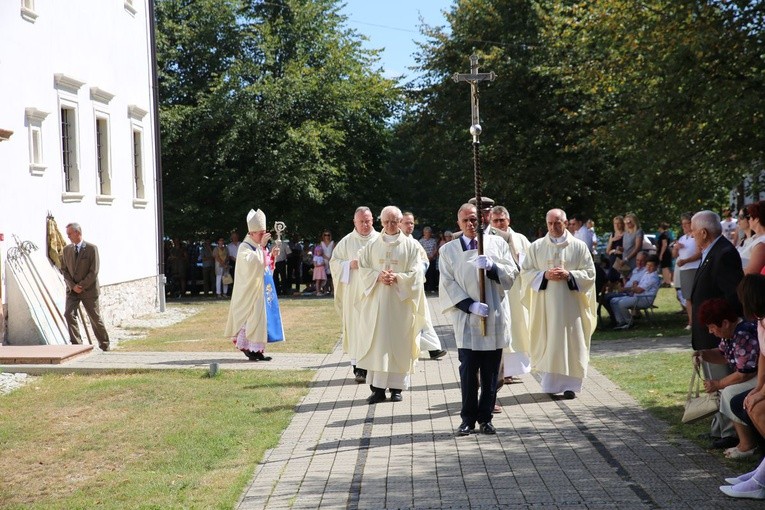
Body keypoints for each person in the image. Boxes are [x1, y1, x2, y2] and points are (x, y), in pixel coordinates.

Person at [440, 203, 518, 435]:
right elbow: (446, 283)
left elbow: (512, 274)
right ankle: (467, 418)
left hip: (493, 314)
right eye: (465, 220)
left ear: (481, 219)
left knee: (491, 372)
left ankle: (486, 418)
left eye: (474, 219)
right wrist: (469, 305)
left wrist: (493, 267)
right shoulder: (449, 251)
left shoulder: (497, 244)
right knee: (468, 371)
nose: (470, 224)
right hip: (467, 319)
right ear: (458, 223)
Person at [521, 208, 597, 399]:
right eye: (550, 223)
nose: (553, 227)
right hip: (545, 306)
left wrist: (569, 275)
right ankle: (551, 385)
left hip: (572, 306)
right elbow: (525, 272)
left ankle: (572, 386)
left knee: (572, 342)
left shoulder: (579, 246)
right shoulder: (536, 247)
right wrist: (544, 275)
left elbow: (590, 274)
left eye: (557, 223)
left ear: (565, 223)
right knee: (550, 341)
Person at [355, 206, 427, 404]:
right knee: (378, 345)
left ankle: (397, 389)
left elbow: (417, 274)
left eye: (394, 221)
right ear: (381, 222)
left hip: (400, 304)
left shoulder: (411, 247)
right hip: (377, 304)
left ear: (400, 221)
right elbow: (363, 269)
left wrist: (398, 278)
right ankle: (377, 389)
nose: (390, 225)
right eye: (386, 221)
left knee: (399, 344)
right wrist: (377, 276)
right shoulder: (371, 246)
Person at [689, 210, 744, 449]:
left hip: (717, 331)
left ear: (703, 232)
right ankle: (718, 429)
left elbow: (733, 295)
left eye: (693, 232)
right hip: (708, 330)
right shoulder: (711, 252)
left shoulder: (723, 253)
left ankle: (730, 432)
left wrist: (720, 324)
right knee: (712, 382)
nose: (691, 236)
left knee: (721, 379)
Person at [719, 274, 765, 500]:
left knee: (755, 407)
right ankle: (760, 473)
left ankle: (760, 480)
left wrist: (761, 393)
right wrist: (758, 389)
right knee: (747, 403)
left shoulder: (755, 324)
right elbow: (764, 357)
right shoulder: (761, 320)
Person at [695, 298, 759, 459]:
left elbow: (746, 372)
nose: (711, 331)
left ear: (724, 323)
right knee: (729, 391)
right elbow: (723, 354)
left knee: (730, 392)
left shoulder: (743, 333)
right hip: (756, 375)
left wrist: (718, 384)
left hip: (759, 376)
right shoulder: (731, 334)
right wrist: (703, 354)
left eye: (711, 327)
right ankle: (744, 441)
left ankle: (747, 444)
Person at [224, 209, 285, 361]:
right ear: (251, 233)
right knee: (251, 320)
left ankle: (257, 350)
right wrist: (262, 248)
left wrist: (272, 255)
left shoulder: (258, 246)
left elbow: (264, 266)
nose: (263, 236)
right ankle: (249, 349)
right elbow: (253, 264)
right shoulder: (245, 247)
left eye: (264, 232)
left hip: (260, 291)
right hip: (250, 292)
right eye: (260, 233)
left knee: (260, 320)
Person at [330, 207, 380, 383]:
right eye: (361, 222)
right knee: (356, 329)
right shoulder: (347, 242)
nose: (365, 225)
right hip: (354, 294)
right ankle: (359, 368)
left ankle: (375, 366)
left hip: (375, 293)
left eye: (368, 221)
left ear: (373, 220)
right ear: (355, 222)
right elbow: (334, 263)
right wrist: (348, 265)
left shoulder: (381, 240)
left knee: (374, 328)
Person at [489, 205, 532, 384]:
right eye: (495, 220)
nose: (499, 224)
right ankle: (501, 371)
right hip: (499, 291)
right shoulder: (488, 239)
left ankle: (513, 370)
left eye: (502, 220)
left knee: (519, 328)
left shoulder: (521, 239)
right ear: (491, 222)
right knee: (504, 329)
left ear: (509, 220)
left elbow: (531, 262)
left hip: (518, 290)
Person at [400, 212, 446, 360]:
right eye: (407, 223)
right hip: (400, 288)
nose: (410, 226)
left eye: (412, 223)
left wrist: (418, 271)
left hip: (416, 288)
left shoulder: (414, 242)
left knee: (423, 317)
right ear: (399, 223)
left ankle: (433, 348)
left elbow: (424, 261)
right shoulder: (395, 242)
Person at [61, 222, 110, 351]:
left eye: (70, 234)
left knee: (94, 317)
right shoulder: (66, 250)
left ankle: (104, 344)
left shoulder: (91, 248)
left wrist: (81, 285)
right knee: (68, 314)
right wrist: (73, 286)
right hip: (72, 291)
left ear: (77, 233)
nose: (68, 237)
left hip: (89, 290)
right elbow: (64, 271)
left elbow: (94, 271)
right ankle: (76, 345)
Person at [610, 254, 661, 329]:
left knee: (621, 303)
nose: (648, 267)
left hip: (644, 299)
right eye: (647, 265)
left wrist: (630, 288)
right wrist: (635, 284)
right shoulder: (647, 273)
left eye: (651, 266)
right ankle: (621, 322)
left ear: (656, 267)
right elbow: (637, 285)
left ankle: (629, 323)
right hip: (637, 297)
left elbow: (639, 290)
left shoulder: (653, 277)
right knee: (613, 301)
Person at [598, 251, 648, 327]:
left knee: (607, 297)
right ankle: (618, 320)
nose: (639, 262)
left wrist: (624, 289)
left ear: (646, 261)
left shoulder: (645, 272)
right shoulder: (636, 270)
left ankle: (615, 319)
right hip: (626, 290)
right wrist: (624, 278)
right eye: (637, 260)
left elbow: (637, 287)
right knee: (607, 297)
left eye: (642, 260)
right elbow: (629, 281)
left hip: (631, 293)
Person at [673, 212, 701, 330]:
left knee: (697, 296)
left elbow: (700, 253)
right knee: (688, 298)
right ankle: (691, 322)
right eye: (682, 224)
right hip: (684, 270)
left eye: (686, 223)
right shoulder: (682, 238)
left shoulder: (697, 236)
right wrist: (676, 248)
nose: (684, 226)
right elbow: (674, 255)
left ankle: (700, 321)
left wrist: (686, 260)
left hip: (695, 268)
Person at [742, 201, 765, 275]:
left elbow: (751, 273)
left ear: (757, 219)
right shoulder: (755, 238)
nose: (748, 220)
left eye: (749, 217)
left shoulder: (762, 243)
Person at [419, 226, 439, 293]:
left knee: (432, 274)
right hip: (423, 260)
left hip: (432, 259)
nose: (428, 233)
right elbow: (420, 250)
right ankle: (424, 288)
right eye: (426, 232)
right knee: (424, 273)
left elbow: (435, 249)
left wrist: (432, 256)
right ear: (424, 233)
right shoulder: (420, 241)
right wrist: (426, 257)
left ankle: (432, 288)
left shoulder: (433, 240)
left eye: (429, 232)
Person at [656, 222, 673, 286]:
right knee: (664, 267)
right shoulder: (666, 234)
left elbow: (664, 245)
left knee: (665, 267)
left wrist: (661, 254)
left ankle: (667, 282)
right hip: (665, 252)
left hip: (665, 253)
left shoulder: (664, 235)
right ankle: (666, 281)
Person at [320, 231, 335, 295]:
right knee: (324, 277)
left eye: (328, 235)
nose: (327, 236)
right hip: (324, 260)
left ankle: (332, 290)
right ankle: (325, 290)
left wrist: (330, 259)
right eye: (325, 235)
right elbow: (321, 252)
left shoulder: (332, 243)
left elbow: (334, 251)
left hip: (331, 260)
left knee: (332, 277)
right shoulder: (321, 243)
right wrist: (326, 258)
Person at [226, 230, 241, 296]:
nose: (234, 238)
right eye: (233, 237)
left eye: (235, 236)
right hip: (233, 262)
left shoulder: (241, 244)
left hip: (241, 262)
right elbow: (229, 255)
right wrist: (235, 260)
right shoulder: (229, 246)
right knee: (233, 277)